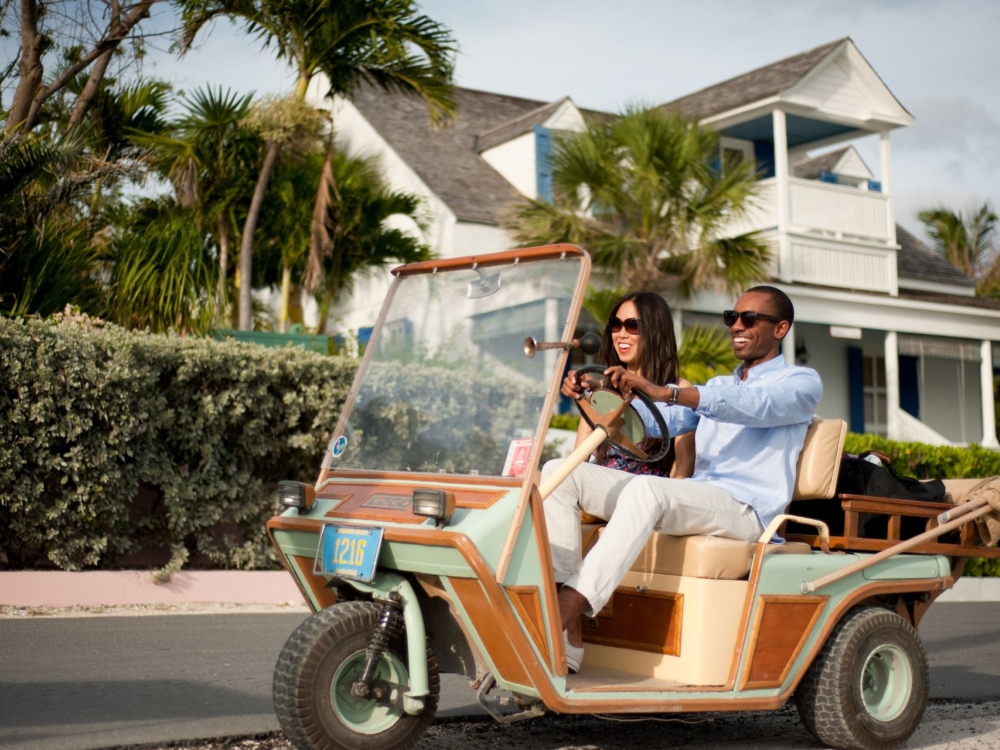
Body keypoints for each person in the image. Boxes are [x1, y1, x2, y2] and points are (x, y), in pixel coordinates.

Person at [542, 285, 823, 673]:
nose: (737, 326)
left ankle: (557, 613)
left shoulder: (801, 383)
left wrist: (670, 392)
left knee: (646, 489)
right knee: (558, 471)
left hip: (747, 510)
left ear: (781, 328)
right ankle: (566, 623)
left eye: (749, 319)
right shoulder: (721, 385)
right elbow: (657, 422)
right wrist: (596, 393)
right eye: (732, 318)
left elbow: (755, 407)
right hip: (699, 497)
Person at [571, 291, 695, 479]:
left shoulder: (676, 389)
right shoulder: (602, 388)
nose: (621, 335)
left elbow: (685, 466)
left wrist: (669, 503)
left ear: (655, 329)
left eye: (632, 326)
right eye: (616, 325)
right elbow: (578, 459)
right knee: (548, 471)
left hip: (646, 493)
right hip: (599, 487)